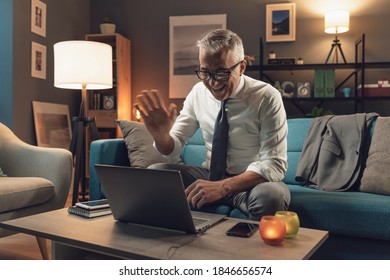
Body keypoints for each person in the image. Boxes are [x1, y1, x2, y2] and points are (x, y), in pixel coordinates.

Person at [135, 29, 290, 221]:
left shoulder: (267, 97)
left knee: (271, 196)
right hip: (210, 175)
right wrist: (161, 136)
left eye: (222, 73)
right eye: (205, 72)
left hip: (250, 182)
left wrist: (221, 187)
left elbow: (274, 165)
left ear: (241, 67)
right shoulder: (198, 92)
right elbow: (172, 149)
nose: (212, 82)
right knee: (156, 174)